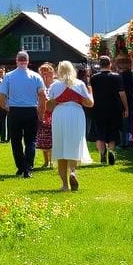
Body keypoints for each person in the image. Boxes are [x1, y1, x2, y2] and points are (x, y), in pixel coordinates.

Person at [0, 51, 48, 178]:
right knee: (30, 140)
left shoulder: (9, 76)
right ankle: (28, 167)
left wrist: (6, 107)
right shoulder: (36, 76)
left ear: (16, 61)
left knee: (15, 141)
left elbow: (1, 95)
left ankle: (20, 166)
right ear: (27, 61)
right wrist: (41, 113)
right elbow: (42, 96)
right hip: (31, 109)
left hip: (15, 110)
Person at [47, 60, 94, 191]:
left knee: (60, 147)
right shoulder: (79, 84)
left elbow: (49, 106)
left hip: (60, 114)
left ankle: (64, 185)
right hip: (76, 113)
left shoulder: (55, 86)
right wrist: (90, 93)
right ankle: (73, 171)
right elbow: (89, 104)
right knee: (74, 144)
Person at [88, 55, 128, 165]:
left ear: (99, 65)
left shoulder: (93, 78)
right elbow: (122, 94)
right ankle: (111, 151)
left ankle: (102, 155)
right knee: (113, 133)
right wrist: (126, 108)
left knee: (100, 133)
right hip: (114, 108)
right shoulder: (117, 77)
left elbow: (90, 93)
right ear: (110, 64)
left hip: (98, 109)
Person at [35, 63, 56, 169]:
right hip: (42, 113)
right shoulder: (38, 84)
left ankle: (52, 161)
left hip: (54, 113)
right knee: (42, 137)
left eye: (46, 73)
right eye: (42, 73)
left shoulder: (55, 84)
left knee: (52, 137)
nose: (44, 76)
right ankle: (46, 161)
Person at [118, 56, 133, 148]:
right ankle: (130, 141)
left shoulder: (120, 76)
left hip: (123, 101)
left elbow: (121, 91)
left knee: (124, 123)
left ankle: (124, 142)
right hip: (131, 99)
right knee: (130, 122)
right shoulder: (132, 75)